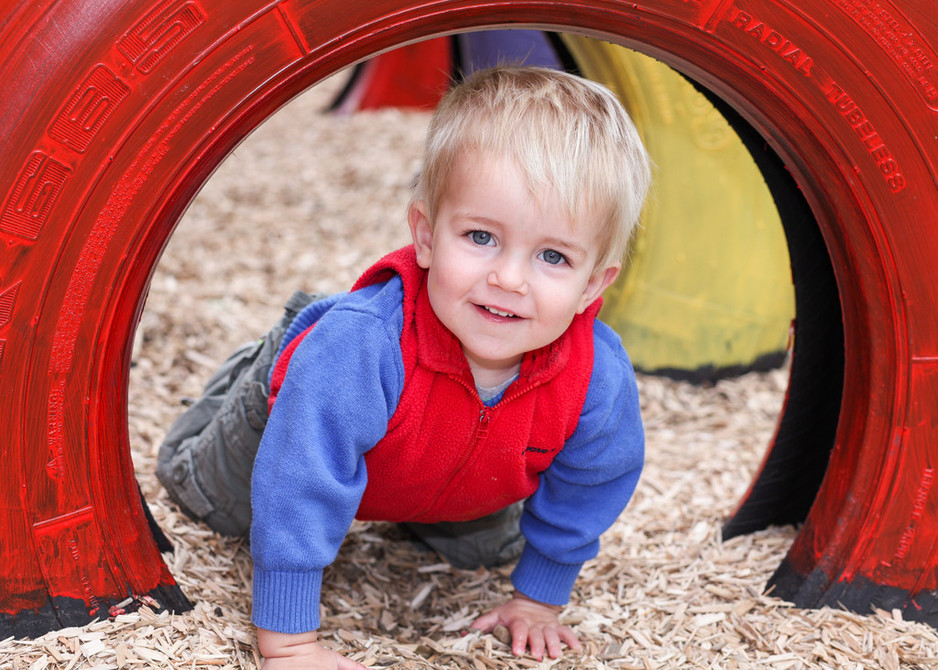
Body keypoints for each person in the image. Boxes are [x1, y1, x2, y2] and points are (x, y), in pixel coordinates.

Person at [157, 65, 651, 669]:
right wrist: (288, 642)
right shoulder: (364, 347)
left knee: (482, 550)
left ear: (591, 286)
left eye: (552, 255)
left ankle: (421, 504)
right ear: (424, 235)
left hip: (441, 465)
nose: (509, 277)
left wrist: (539, 600)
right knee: (209, 499)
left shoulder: (595, 374)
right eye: (480, 237)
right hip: (295, 419)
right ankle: (268, 359)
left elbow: (592, 481)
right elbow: (299, 482)